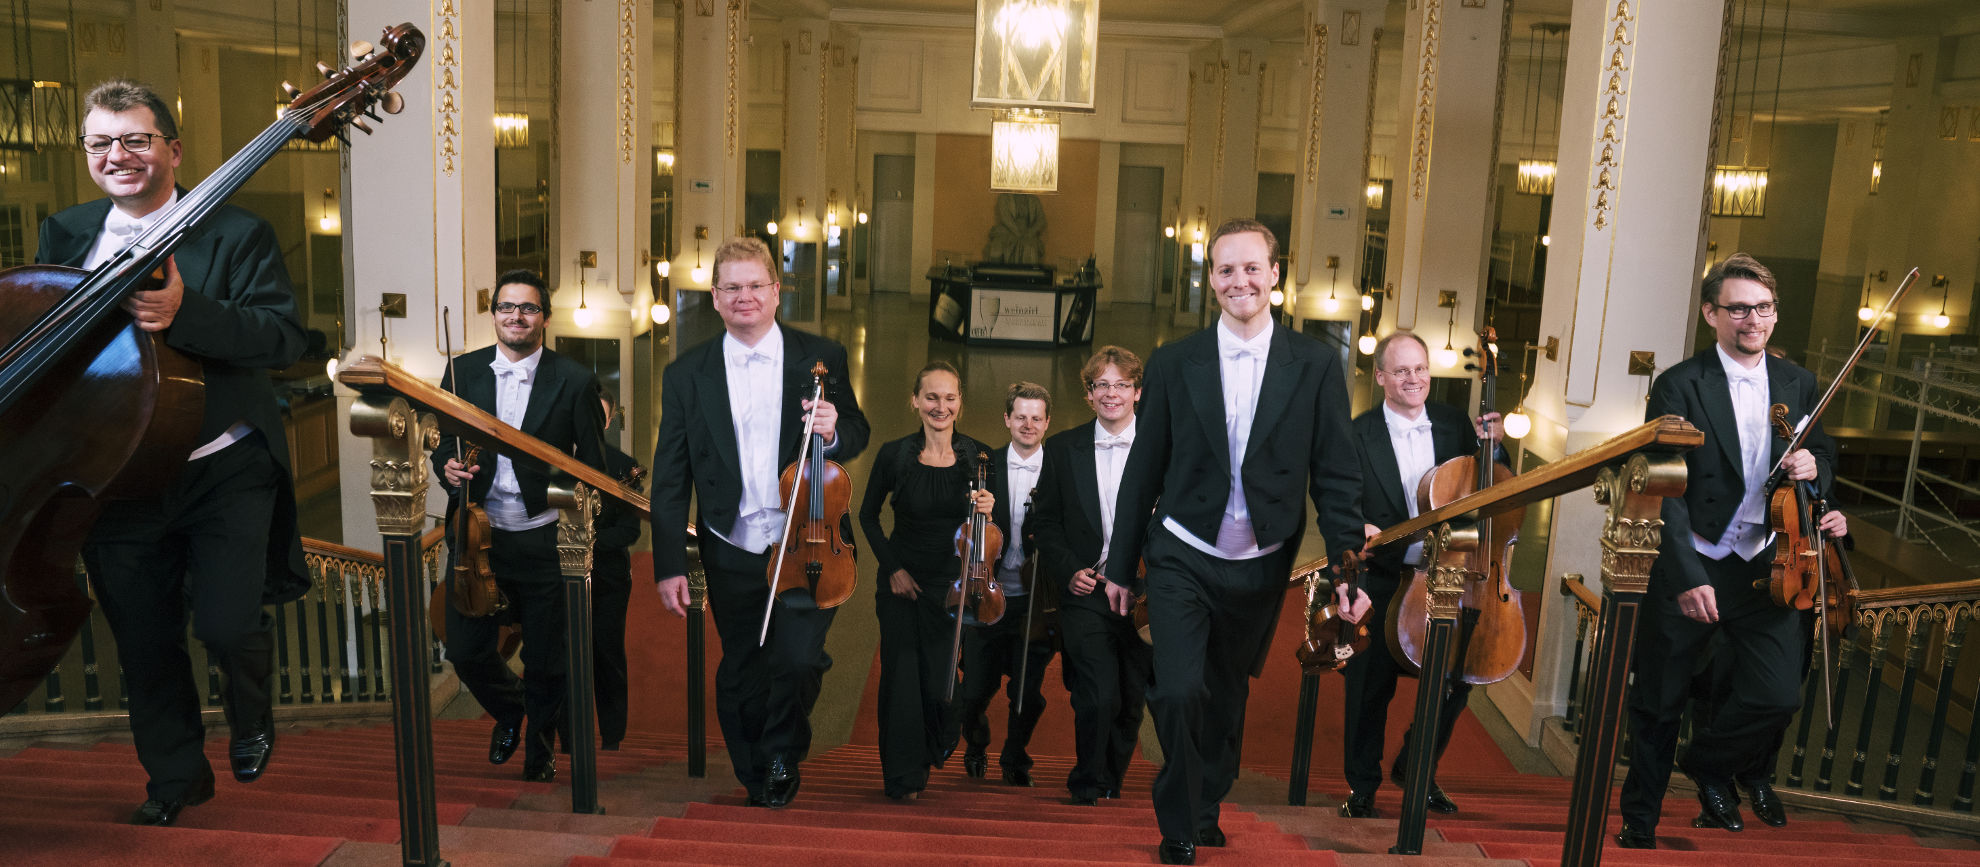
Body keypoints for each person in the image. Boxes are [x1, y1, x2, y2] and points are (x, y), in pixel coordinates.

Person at [38, 79, 307, 827]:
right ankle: (176, 778)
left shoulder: (236, 233)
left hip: (219, 467)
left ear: (173, 149)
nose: (116, 154)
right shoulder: (64, 232)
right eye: (101, 142)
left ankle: (252, 711)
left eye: (135, 138)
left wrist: (190, 312)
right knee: (147, 643)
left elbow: (282, 338)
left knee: (225, 623)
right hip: (116, 476)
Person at [1103, 219, 1370, 866]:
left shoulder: (1314, 365)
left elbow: (1336, 476)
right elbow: (1144, 466)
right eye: (1226, 269)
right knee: (1177, 689)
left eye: (1252, 268)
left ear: (1276, 274)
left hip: (1260, 564)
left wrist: (1346, 574)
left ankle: (1208, 797)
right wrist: (1119, 563)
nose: (1239, 280)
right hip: (1181, 552)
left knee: (1224, 695)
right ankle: (1181, 821)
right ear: (1211, 279)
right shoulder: (1173, 361)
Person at [1615, 252, 1846, 850]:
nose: (1754, 320)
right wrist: (1687, 576)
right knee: (1659, 701)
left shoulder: (1798, 381)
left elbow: (1825, 459)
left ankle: (1711, 764)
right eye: (1739, 308)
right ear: (1711, 314)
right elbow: (1663, 487)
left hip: (1766, 564)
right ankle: (1638, 820)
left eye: (1763, 308)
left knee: (1777, 695)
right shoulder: (1679, 384)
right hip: (1699, 560)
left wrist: (1814, 467)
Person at [651, 236, 869, 808]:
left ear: (776, 292)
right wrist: (669, 563)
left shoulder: (820, 355)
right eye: (731, 288)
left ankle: (779, 753)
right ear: (716, 299)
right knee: (743, 664)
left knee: (798, 659)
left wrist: (835, 428)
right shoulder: (686, 373)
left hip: (807, 540)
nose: (744, 297)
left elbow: (859, 432)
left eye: (755, 286)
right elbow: (670, 477)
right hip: (731, 543)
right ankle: (754, 764)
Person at [434, 269, 608, 784]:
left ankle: (540, 748)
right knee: (464, 649)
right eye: (507, 307)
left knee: (547, 659)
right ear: (494, 315)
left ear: (544, 318)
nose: (516, 316)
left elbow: (593, 465)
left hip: (542, 535)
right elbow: (445, 442)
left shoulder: (574, 380)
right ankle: (510, 712)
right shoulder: (461, 372)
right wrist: (447, 467)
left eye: (527, 308)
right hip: (475, 535)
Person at [1339, 331, 1501, 819]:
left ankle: (1419, 767)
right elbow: (1336, 494)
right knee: (1370, 686)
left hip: (1454, 578)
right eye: (1402, 370)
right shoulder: (1356, 432)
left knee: (1456, 679)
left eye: (1421, 369)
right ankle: (1362, 785)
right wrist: (1354, 524)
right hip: (1387, 577)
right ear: (1382, 376)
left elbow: (1493, 486)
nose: (1414, 379)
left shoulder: (1456, 425)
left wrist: (1495, 446)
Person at [859, 361, 998, 800]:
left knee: (941, 682)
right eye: (932, 397)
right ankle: (903, 776)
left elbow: (990, 534)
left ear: (960, 402)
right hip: (901, 583)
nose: (941, 406)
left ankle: (933, 748)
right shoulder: (894, 454)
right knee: (900, 679)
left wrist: (988, 512)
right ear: (915, 401)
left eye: (950, 397)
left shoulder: (978, 458)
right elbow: (867, 517)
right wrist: (894, 569)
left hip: (951, 586)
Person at [1031, 347, 1154, 806]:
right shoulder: (1063, 448)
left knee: (1129, 699)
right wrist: (1068, 571)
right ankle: (1085, 779)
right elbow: (1044, 523)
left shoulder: (1162, 447)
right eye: (1101, 385)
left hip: (1144, 594)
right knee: (1095, 694)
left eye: (1121, 384)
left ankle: (1111, 778)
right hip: (1089, 591)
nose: (1111, 394)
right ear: (1088, 394)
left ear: (1137, 392)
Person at [945, 381, 1058, 786]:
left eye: (1036, 418)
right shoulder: (983, 463)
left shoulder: (1060, 468)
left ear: (1047, 423)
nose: (1028, 425)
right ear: (1006, 419)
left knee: (1027, 693)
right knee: (974, 691)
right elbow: (957, 527)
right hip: (984, 596)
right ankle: (976, 745)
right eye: (1020, 416)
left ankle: (1015, 758)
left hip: (1034, 600)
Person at [591, 385, 645, 750]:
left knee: (606, 653)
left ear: (609, 420)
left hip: (608, 577)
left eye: (600, 414)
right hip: (557, 576)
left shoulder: (625, 466)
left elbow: (630, 528)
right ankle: (565, 734)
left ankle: (612, 737)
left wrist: (588, 542)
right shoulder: (551, 457)